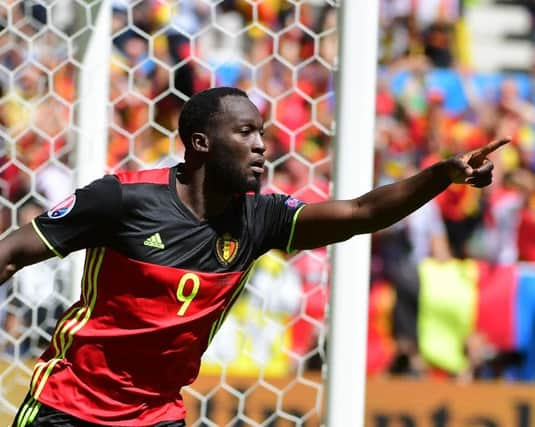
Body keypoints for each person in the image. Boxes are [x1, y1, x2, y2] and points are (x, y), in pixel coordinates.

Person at [4, 86, 508, 427]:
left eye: (262, 133)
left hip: (156, 416)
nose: (261, 146)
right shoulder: (122, 200)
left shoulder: (259, 219)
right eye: (244, 133)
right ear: (200, 144)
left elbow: (361, 212)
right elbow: (13, 253)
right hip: (66, 407)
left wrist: (441, 175)